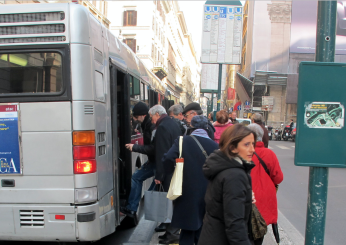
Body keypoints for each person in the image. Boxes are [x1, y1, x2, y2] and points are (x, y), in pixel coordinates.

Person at [161, 116, 219, 245]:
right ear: (207, 128)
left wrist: (173, 171)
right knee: (203, 229)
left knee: (187, 230)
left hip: (187, 191)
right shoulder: (215, 146)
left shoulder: (183, 141)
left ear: (191, 127)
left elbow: (168, 158)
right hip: (208, 192)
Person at [198, 124, 256, 245]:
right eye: (247, 144)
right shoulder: (235, 175)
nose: (252, 149)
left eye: (253, 144)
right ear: (233, 148)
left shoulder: (224, 166)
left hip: (212, 234)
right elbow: (235, 223)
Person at [149, 105, 182, 242]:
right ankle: (169, 233)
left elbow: (162, 153)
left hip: (168, 170)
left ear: (157, 114)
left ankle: (171, 235)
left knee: (169, 203)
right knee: (171, 202)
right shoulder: (173, 123)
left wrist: (159, 176)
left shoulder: (162, 127)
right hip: (176, 167)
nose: (151, 121)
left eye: (152, 117)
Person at [247, 124, 284, 245]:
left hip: (246, 196)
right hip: (263, 199)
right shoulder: (269, 154)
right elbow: (278, 178)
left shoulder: (242, 152)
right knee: (258, 232)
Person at [120, 102, 155, 218]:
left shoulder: (150, 126)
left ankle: (131, 209)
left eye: (136, 117)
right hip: (155, 161)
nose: (134, 119)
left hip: (156, 162)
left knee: (137, 177)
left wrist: (134, 147)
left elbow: (152, 148)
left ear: (143, 115)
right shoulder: (146, 125)